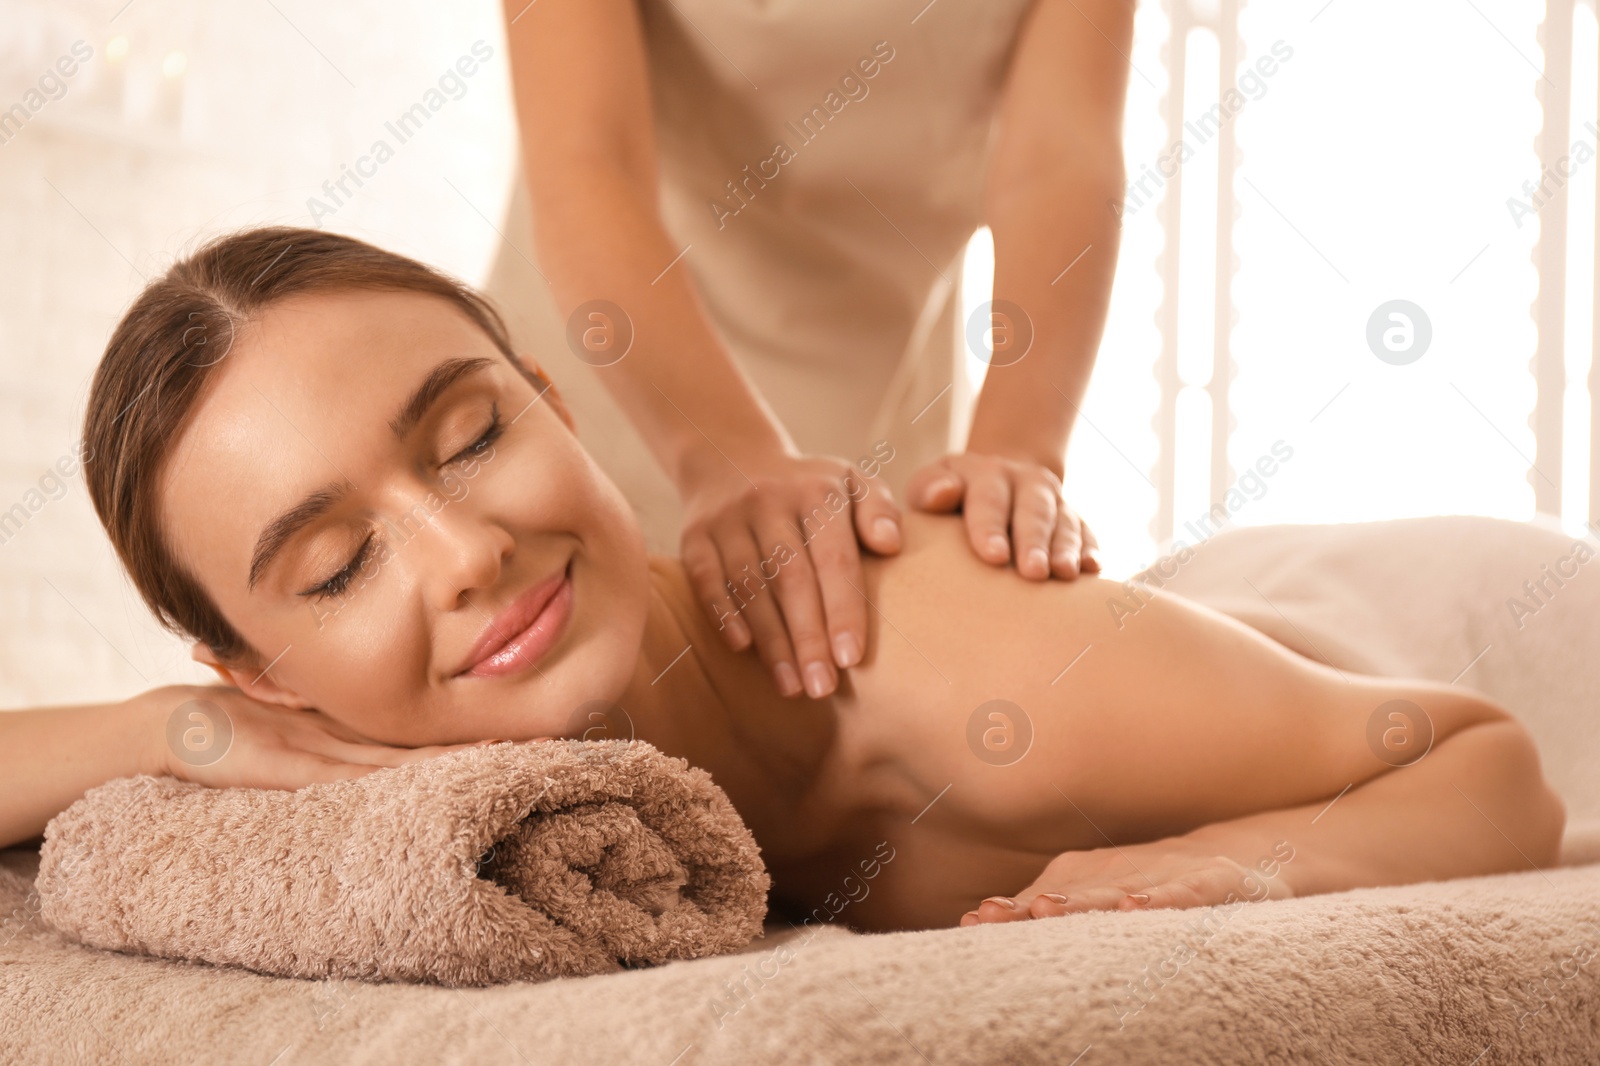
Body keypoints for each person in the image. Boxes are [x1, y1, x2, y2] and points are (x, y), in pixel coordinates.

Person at [0, 230, 1563, 932]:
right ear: (259, 671)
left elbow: (1489, 767)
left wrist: (1235, 868)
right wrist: (166, 733)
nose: (464, 553)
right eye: (339, 565)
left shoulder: (965, 659)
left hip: (1415, 611)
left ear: (553, 399)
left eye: (472, 437)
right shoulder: (338, 755)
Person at [486, 0, 1131, 703]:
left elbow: (1059, 162)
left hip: (879, 405)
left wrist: (1017, 451)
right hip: (615, 372)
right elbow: (588, 160)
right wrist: (726, 451)